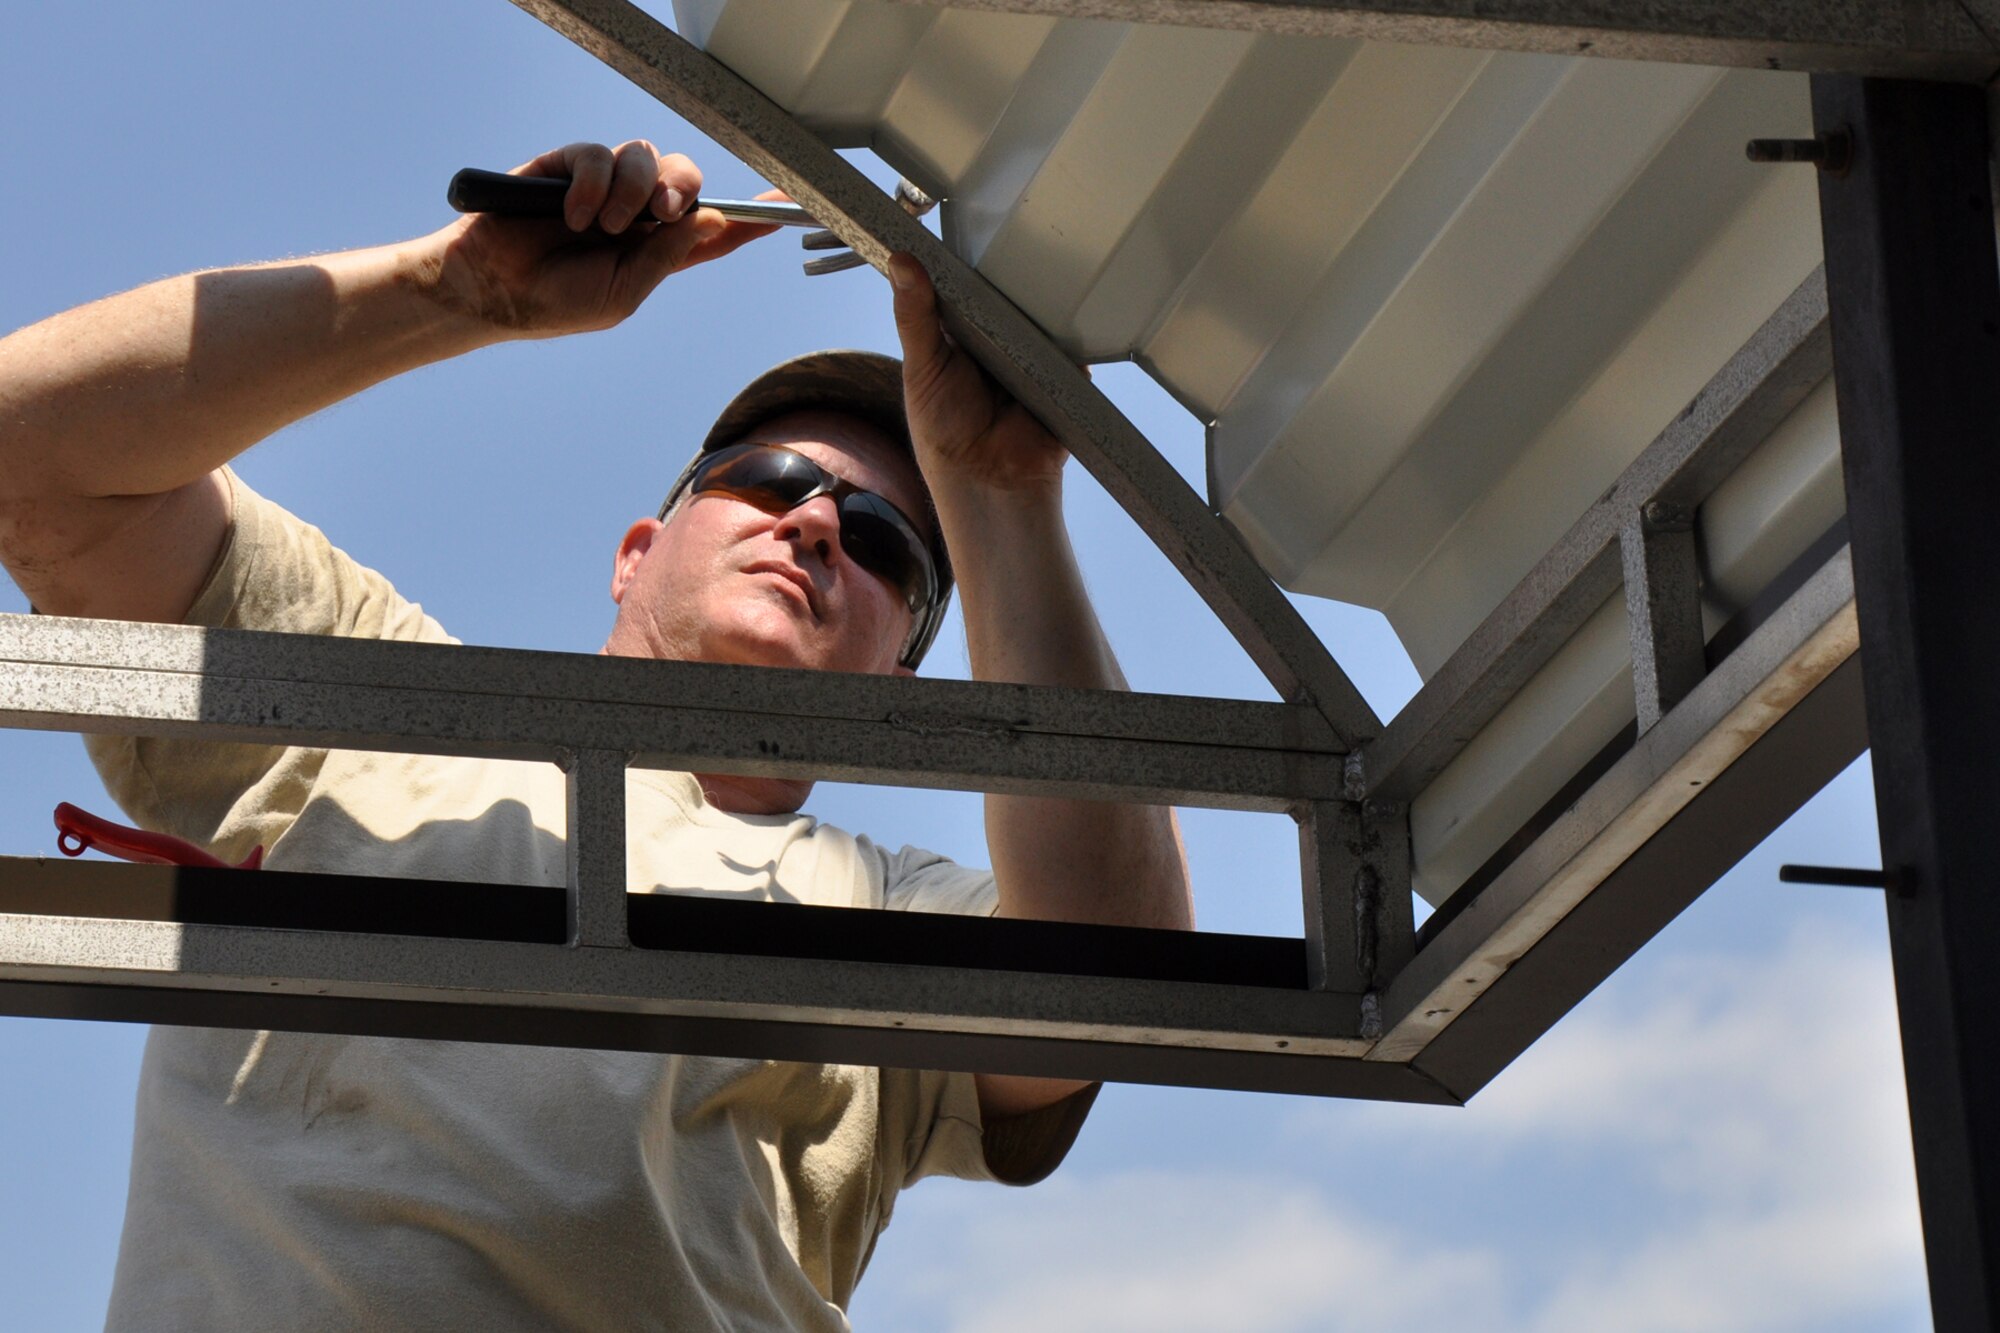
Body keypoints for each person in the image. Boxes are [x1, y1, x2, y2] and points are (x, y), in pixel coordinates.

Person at [0, 140, 1192, 1329]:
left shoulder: (879, 908)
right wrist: (458, 290)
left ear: (901, 667)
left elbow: (1115, 974)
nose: (821, 521)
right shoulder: (379, 704)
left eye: (887, 545)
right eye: (770, 479)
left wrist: (997, 491)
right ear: (634, 555)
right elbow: (28, 453)